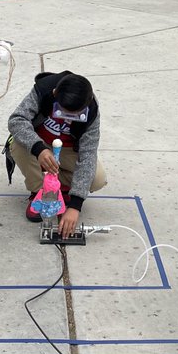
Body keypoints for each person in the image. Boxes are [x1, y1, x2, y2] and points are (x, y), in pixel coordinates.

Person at [6, 71, 106, 236]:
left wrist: (75, 205)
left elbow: (88, 154)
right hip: (38, 144)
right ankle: (40, 192)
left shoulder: (92, 110)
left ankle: (62, 189)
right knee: (17, 143)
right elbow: (16, 120)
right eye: (63, 111)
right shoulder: (44, 90)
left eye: (76, 115)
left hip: (67, 151)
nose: (69, 118)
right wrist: (38, 148)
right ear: (55, 94)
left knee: (97, 179)